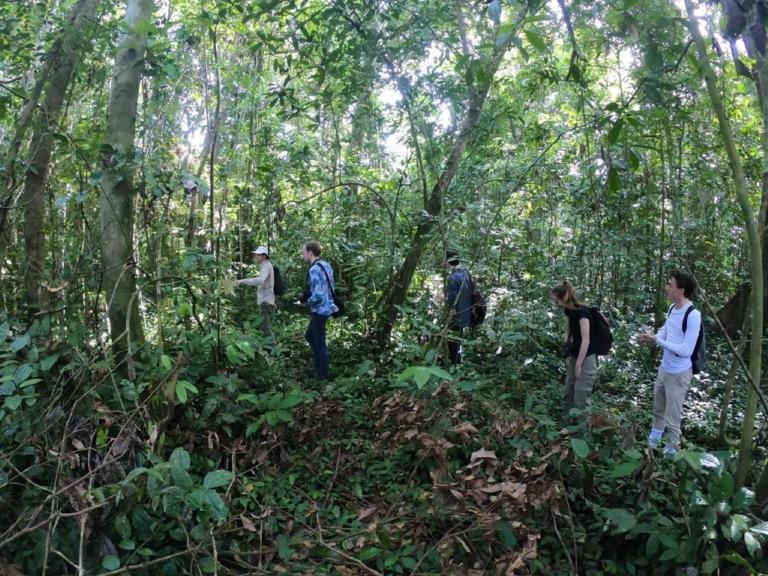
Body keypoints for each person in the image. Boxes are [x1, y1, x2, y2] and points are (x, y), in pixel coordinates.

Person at [639, 270, 701, 456]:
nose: (666, 287)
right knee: (659, 410)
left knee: (673, 418)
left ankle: (670, 456)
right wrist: (654, 337)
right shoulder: (673, 309)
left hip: (679, 373)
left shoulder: (693, 314)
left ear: (681, 290)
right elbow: (666, 331)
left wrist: (659, 342)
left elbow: (686, 351)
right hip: (664, 369)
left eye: (670, 284)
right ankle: (652, 446)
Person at [550, 280, 598, 424]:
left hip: (587, 358)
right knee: (569, 391)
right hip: (574, 355)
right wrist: (567, 350)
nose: (555, 303)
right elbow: (569, 331)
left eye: (555, 299)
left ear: (563, 297)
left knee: (581, 396)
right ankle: (565, 425)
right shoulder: (569, 311)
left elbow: (586, 340)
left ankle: (581, 434)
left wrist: (579, 364)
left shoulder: (582, 312)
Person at [299, 240, 337, 381]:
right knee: (310, 336)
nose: (303, 255)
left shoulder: (314, 269)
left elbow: (318, 296)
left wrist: (305, 303)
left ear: (310, 252)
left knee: (319, 342)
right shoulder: (326, 265)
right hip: (328, 307)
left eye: (304, 252)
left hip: (320, 310)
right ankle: (320, 367)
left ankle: (323, 374)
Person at [235, 246, 276, 339]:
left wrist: (243, 281)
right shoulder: (265, 265)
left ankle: (272, 350)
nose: (256, 256)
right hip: (266, 299)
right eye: (256, 254)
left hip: (266, 300)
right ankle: (270, 349)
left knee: (266, 327)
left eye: (258, 255)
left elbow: (261, 280)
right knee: (265, 325)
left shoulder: (266, 266)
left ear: (264, 256)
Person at [445, 250, 473, 364]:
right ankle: (458, 358)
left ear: (448, 261)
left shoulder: (453, 277)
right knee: (458, 335)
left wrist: (451, 310)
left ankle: (454, 361)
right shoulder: (466, 271)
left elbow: (452, 298)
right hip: (466, 311)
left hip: (457, 314)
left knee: (452, 338)